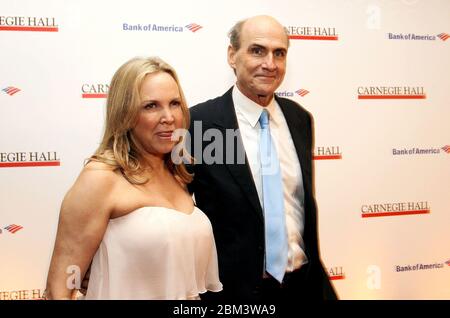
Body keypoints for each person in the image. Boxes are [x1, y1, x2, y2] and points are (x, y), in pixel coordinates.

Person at [45, 56, 222, 300]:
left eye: (174, 103)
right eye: (151, 106)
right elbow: (60, 288)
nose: (168, 117)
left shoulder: (178, 172)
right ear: (124, 113)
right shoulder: (101, 178)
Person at [188, 15, 337, 301]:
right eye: (257, 50)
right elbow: (179, 210)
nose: (270, 64)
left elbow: (297, 207)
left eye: (279, 53)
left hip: (305, 285)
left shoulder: (299, 118)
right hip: (236, 294)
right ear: (232, 55)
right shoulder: (200, 125)